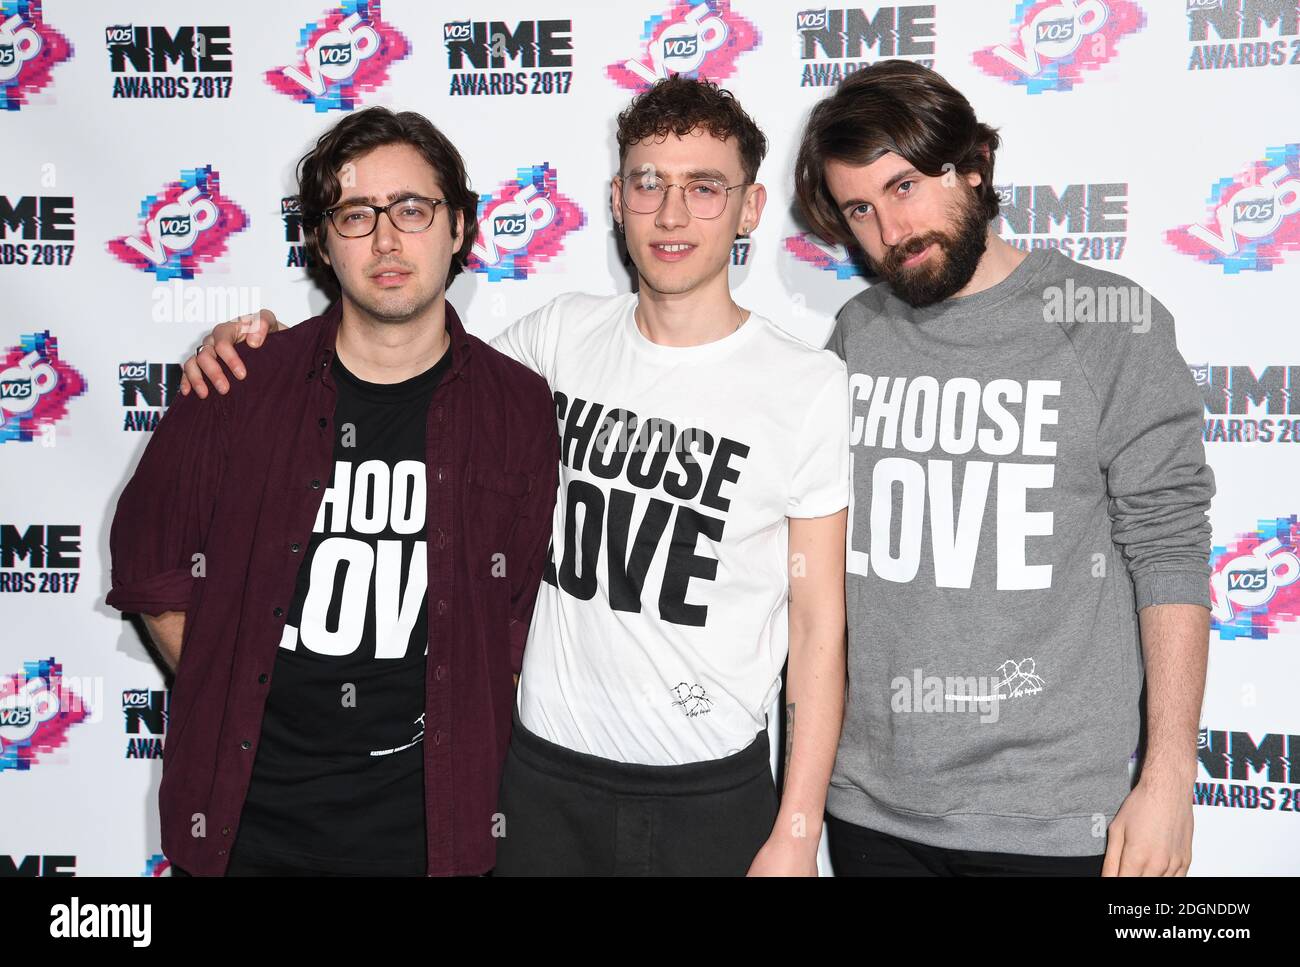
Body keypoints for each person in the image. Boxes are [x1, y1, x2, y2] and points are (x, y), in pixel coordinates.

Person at [179, 77, 850, 877]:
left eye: (705, 188)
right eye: (649, 183)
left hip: (710, 790)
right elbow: (405, 350)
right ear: (615, 198)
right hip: (537, 780)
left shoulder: (805, 384)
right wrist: (263, 346)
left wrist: (799, 831)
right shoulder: (557, 337)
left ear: (747, 208)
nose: (672, 215)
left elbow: (817, 628)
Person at [105, 107, 558, 876]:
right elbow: (153, 568)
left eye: (412, 210)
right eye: (356, 214)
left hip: (431, 840)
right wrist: (240, 684)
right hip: (247, 835)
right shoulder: (238, 382)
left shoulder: (515, 406)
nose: (387, 240)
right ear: (320, 239)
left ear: (459, 228)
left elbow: (512, 622)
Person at [793, 60, 1215, 876]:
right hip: (870, 808)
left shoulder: (1108, 323)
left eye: (906, 186)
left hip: (1051, 822)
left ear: (976, 167)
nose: (891, 231)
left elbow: (1170, 552)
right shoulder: (858, 332)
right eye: (861, 209)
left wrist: (1169, 775)